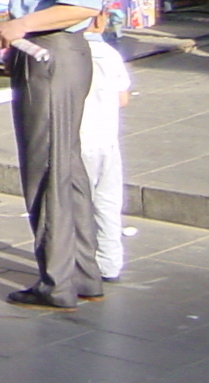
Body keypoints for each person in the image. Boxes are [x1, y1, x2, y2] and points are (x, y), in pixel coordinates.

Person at [0, 0, 106, 310]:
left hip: (53, 54)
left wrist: (22, 25)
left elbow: (81, 4)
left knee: (47, 170)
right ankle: (82, 270)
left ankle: (56, 279)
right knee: (67, 167)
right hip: (41, 50)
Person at [80, 24, 132, 284]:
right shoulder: (110, 54)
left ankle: (76, 263)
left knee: (75, 205)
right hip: (106, 140)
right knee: (108, 203)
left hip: (77, 141)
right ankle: (110, 263)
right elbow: (123, 99)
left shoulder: (68, 54)